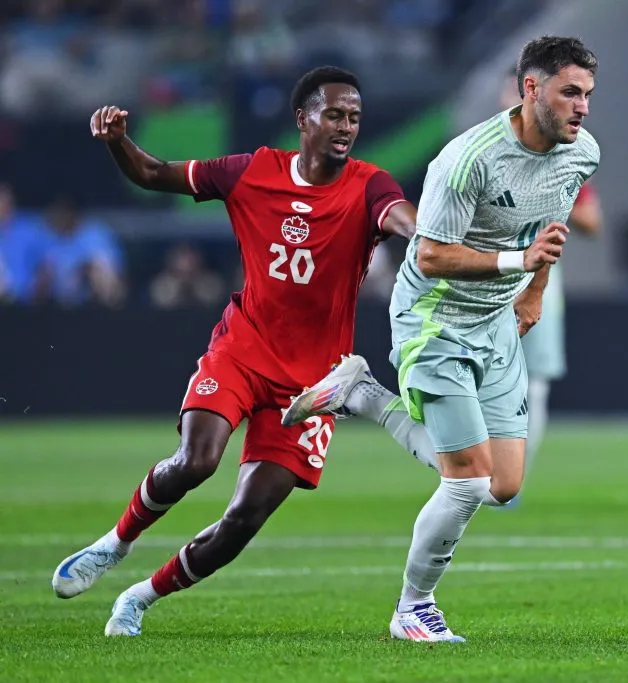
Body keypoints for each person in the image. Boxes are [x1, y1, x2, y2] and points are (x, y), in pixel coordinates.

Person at [50, 66, 417, 637]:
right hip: (243, 349)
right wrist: (119, 141)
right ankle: (114, 543)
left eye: (354, 118)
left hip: (315, 385)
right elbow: (151, 174)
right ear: (304, 119)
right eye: (335, 114)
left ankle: (140, 598)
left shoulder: (369, 185)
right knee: (197, 460)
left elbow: (403, 220)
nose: (346, 127)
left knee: (245, 517)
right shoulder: (253, 171)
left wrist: (430, 236)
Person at [283, 36, 600, 642]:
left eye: (587, 93)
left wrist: (533, 290)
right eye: (569, 92)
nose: (582, 107)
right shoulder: (466, 160)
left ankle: (362, 395)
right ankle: (413, 609)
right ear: (531, 89)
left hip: (498, 320)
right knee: (468, 483)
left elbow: (553, 227)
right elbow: (427, 256)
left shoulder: (580, 152)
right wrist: (517, 265)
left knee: (503, 486)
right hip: (436, 320)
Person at [498, 67, 602, 483]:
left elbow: (594, 222)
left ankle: (514, 478)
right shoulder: (484, 149)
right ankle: (476, 471)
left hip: (539, 281)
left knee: (533, 384)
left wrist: (557, 195)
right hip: (486, 276)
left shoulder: (564, 153)